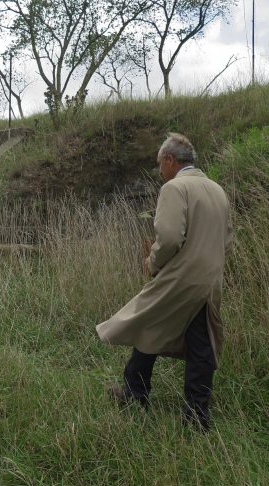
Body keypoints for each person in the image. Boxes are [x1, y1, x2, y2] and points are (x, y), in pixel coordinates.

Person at [96, 133, 233, 432]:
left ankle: (135, 395)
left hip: (180, 277)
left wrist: (152, 262)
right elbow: (227, 241)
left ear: (170, 160)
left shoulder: (175, 188)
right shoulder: (217, 190)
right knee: (200, 344)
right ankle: (197, 416)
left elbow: (170, 238)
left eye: (160, 165)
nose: (160, 172)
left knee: (146, 324)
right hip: (210, 280)